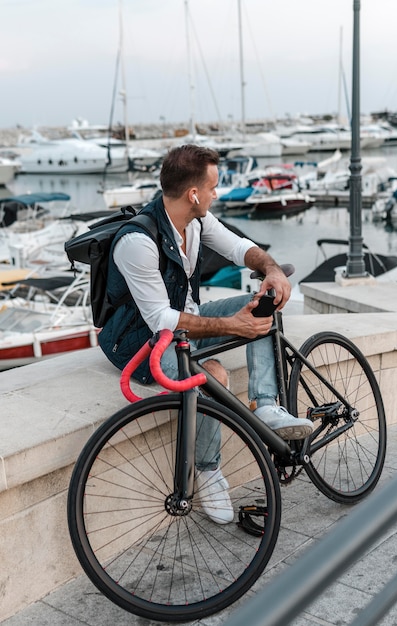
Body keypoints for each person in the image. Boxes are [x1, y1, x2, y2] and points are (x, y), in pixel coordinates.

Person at [98, 144, 313, 524]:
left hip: (186, 323)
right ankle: (209, 470)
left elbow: (240, 248)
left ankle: (266, 404)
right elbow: (161, 318)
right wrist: (233, 326)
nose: (217, 194)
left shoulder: (196, 221)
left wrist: (273, 271)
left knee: (257, 302)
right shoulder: (137, 242)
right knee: (212, 372)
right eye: (213, 187)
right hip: (139, 340)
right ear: (193, 194)